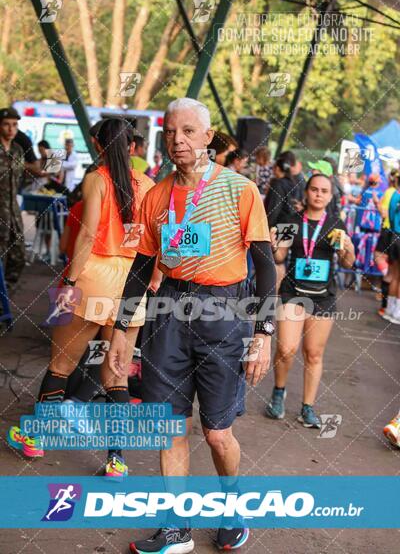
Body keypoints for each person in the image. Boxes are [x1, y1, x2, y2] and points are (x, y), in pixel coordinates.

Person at [107, 97, 276, 553]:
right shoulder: (156, 196)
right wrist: (122, 330)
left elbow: (264, 267)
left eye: (187, 132)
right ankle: (175, 529)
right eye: (169, 132)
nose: (177, 140)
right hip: (168, 309)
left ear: (207, 137)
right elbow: (141, 267)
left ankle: (232, 507)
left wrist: (263, 334)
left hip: (223, 311)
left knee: (217, 432)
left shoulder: (240, 190)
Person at [7, 119, 158, 480]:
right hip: (131, 285)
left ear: (96, 144)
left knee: (60, 365)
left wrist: (69, 283)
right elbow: (158, 243)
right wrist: (155, 281)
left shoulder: (95, 179)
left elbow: (87, 237)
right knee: (117, 376)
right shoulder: (150, 184)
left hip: (92, 280)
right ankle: (117, 461)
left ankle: (35, 440)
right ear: (133, 148)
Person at [266, 173, 355, 428]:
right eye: (314, 189)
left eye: (324, 191)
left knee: (314, 354)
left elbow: (349, 263)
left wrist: (347, 248)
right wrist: (274, 244)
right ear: (306, 192)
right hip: (293, 292)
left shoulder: (337, 225)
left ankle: (307, 407)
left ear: (330, 196)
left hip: (323, 297)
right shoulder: (290, 220)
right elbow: (280, 257)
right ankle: (278, 394)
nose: (318, 194)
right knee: (286, 348)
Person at [0, 107, 26, 292]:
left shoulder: (18, 150)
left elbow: (19, 179)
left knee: (19, 256)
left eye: (14, 125)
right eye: (6, 124)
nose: (11, 129)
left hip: (13, 214)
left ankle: (5, 297)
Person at [375, 170, 397, 316]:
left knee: (389, 271)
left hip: (389, 230)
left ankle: (386, 306)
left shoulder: (390, 192)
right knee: (393, 272)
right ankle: (388, 307)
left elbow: (383, 212)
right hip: (392, 232)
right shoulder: (393, 193)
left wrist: (376, 202)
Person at [384, 172, 400, 323]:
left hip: (394, 235)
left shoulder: (394, 195)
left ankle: (390, 309)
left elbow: (389, 215)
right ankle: (397, 313)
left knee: (395, 275)